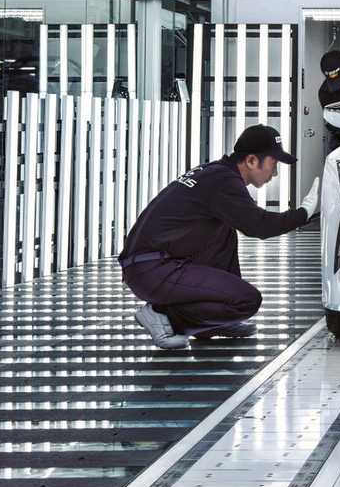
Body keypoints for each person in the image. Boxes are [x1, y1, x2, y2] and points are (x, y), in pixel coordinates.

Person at [120, 125, 319, 350]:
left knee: (224, 228)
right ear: (252, 160)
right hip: (153, 269)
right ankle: (162, 315)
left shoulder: (217, 173)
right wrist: (304, 213)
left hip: (150, 264)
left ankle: (211, 324)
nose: (274, 174)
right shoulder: (223, 182)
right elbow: (258, 226)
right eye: (273, 164)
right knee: (247, 300)